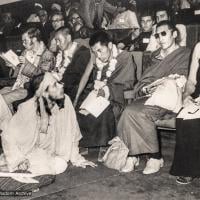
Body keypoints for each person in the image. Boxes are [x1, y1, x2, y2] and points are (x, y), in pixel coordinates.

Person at [117, 20, 191, 174]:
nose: (160, 38)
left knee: (139, 114)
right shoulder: (154, 55)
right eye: (157, 35)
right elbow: (146, 78)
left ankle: (155, 157)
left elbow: (187, 79)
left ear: (174, 34)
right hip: (150, 96)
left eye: (164, 33)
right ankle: (133, 155)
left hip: (170, 99)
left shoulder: (185, 54)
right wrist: (145, 87)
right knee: (127, 111)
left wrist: (171, 81)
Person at [0, 72, 96, 175]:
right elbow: (8, 135)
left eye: (58, 83)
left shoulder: (65, 101)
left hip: (51, 154)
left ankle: (17, 171)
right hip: (29, 151)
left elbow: (71, 131)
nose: (61, 85)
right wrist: (19, 159)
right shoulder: (28, 108)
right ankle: (16, 168)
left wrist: (77, 159)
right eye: (55, 85)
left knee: (61, 164)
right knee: (33, 162)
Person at [74, 31, 136, 151]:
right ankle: (83, 142)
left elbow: (128, 84)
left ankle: (102, 143)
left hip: (116, 98)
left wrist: (107, 90)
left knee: (102, 112)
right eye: (94, 52)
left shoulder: (125, 58)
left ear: (110, 46)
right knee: (79, 109)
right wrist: (77, 98)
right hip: (97, 93)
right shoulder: (96, 55)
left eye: (100, 51)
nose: (97, 55)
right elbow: (86, 76)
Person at [0, 27, 55, 109]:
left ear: (34, 39)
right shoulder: (25, 52)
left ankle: (9, 120)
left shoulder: (47, 54)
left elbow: (42, 77)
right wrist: (14, 66)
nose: (23, 44)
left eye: (25, 40)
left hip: (30, 89)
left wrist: (26, 63)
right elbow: (20, 71)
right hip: (18, 85)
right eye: (22, 41)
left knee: (2, 101)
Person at [170, 42, 200, 184]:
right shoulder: (199, 47)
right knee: (184, 116)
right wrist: (187, 96)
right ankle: (190, 169)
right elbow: (192, 81)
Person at [54, 27, 91, 101]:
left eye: (59, 40)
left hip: (73, 93)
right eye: (56, 41)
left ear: (68, 38)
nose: (57, 44)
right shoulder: (60, 53)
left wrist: (57, 80)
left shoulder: (82, 53)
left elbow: (78, 79)